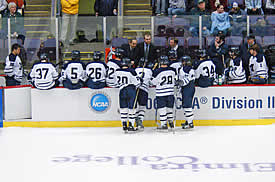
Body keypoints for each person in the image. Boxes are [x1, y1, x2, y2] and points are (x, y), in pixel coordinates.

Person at [113, 57, 140, 132]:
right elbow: (137, 83)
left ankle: (124, 125)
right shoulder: (132, 71)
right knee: (132, 108)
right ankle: (131, 125)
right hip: (130, 90)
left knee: (123, 108)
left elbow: (115, 82)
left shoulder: (117, 71)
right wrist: (140, 80)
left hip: (121, 90)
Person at [151, 55, 177, 130]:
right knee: (169, 109)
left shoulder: (157, 71)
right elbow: (175, 79)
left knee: (162, 109)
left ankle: (164, 124)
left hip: (161, 94)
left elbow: (153, 82)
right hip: (170, 93)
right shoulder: (173, 70)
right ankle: (171, 123)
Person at [134, 57, 153, 130]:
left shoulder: (136, 69)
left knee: (134, 107)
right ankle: (140, 121)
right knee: (142, 107)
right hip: (144, 90)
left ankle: (135, 119)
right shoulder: (149, 71)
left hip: (135, 89)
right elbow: (151, 82)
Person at [178, 56, 195, 129]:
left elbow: (187, 80)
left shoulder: (189, 70)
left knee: (187, 105)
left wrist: (180, 83)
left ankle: (190, 123)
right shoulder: (186, 69)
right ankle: (188, 121)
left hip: (188, 88)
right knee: (185, 105)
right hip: (187, 88)